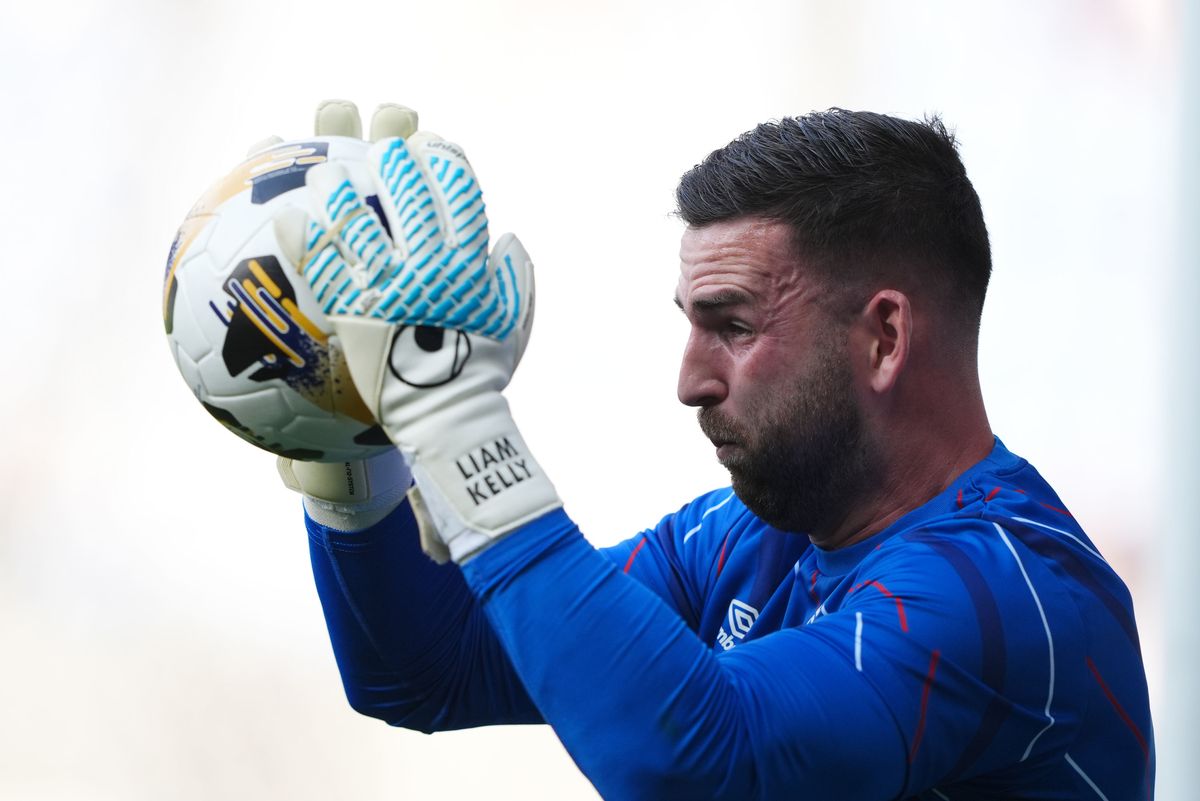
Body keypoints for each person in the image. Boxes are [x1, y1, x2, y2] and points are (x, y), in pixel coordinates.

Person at [277, 99, 1154, 800]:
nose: (690, 379)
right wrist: (355, 459)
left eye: (731, 324)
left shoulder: (1007, 593)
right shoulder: (749, 538)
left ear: (884, 337)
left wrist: (454, 417)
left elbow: (701, 766)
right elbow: (429, 667)